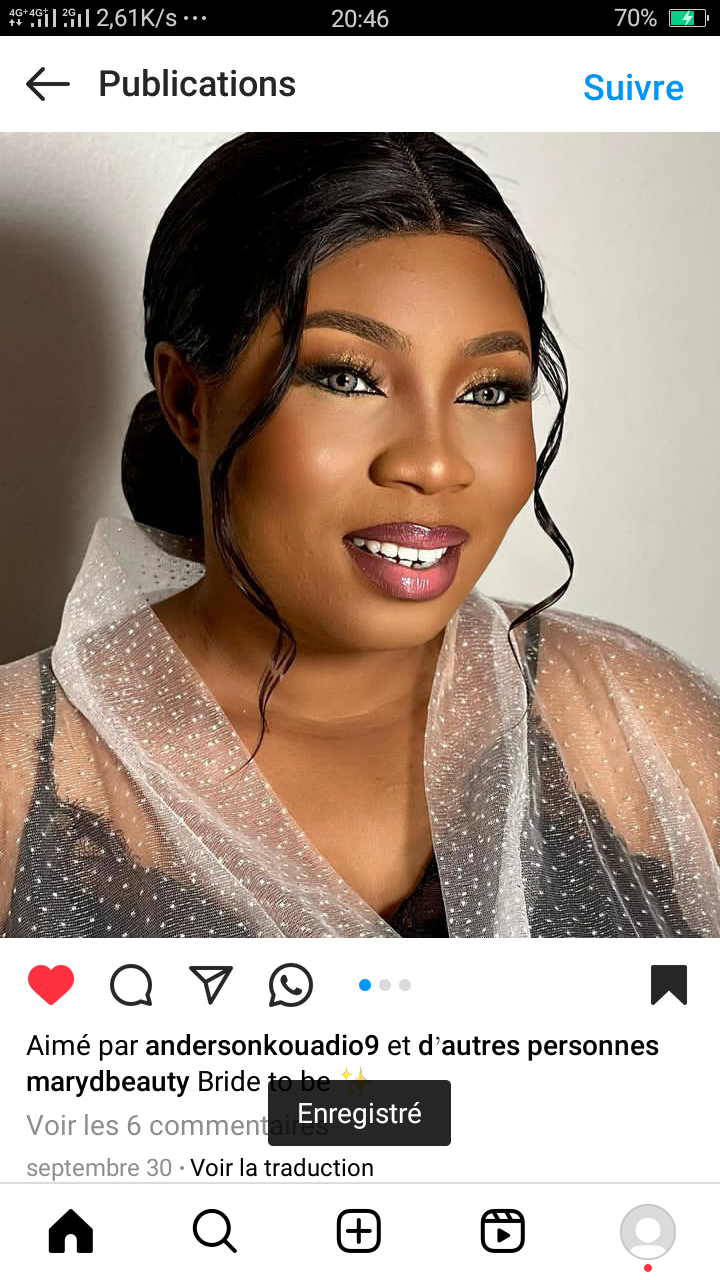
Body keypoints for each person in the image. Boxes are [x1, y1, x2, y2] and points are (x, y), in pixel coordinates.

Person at [1, 132, 718, 939]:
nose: (435, 464)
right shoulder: (16, 771)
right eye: (347, 378)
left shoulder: (640, 720)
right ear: (188, 401)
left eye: (488, 391)